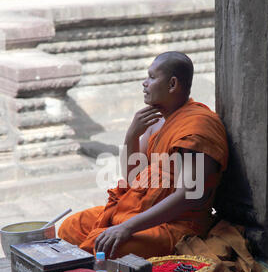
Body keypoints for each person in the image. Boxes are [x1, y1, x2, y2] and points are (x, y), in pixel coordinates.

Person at [58, 51, 228, 259]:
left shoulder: (197, 125)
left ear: (172, 84)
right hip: (138, 213)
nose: (144, 83)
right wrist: (131, 135)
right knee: (69, 228)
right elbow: (132, 177)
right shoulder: (155, 121)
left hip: (176, 225)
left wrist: (127, 227)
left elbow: (189, 196)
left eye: (152, 77)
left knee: (104, 248)